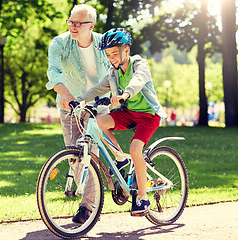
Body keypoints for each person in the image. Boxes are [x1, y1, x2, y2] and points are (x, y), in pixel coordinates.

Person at [77, 28, 167, 216]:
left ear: (126, 50)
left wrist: (125, 94)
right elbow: (98, 89)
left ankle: (142, 198)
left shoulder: (140, 65)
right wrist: (79, 100)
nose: (112, 58)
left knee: (136, 149)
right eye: (108, 55)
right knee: (98, 122)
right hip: (128, 112)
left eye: (115, 53)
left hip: (148, 116)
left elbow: (138, 81)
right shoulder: (113, 72)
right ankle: (120, 157)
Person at [45, 4, 110, 224]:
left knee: (91, 155)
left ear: (91, 25)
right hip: (70, 106)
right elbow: (53, 71)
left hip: (98, 106)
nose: (72, 26)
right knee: (75, 156)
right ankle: (101, 188)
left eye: (78, 23)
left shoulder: (104, 43)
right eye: (70, 21)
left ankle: (88, 206)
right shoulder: (59, 43)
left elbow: (117, 67)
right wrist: (64, 92)